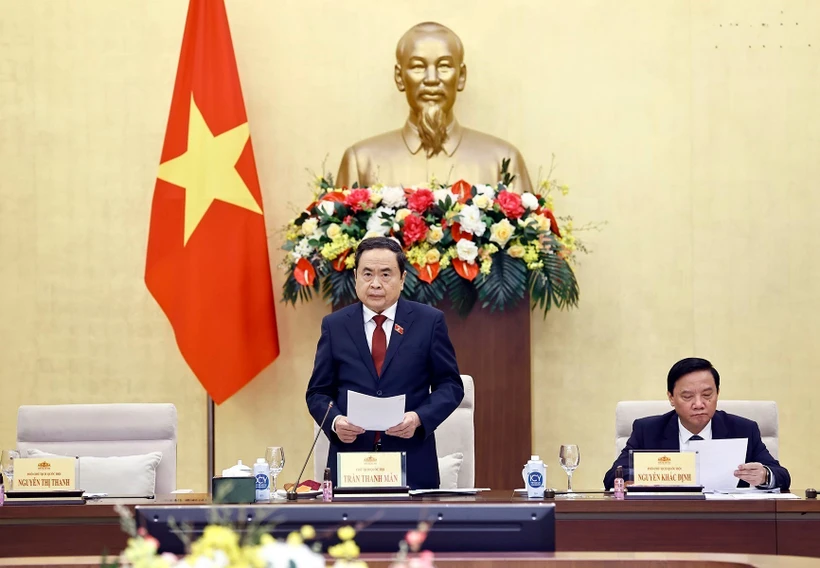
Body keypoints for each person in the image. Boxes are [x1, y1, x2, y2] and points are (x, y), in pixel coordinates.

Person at [305, 236, 464, 489]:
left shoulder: (428, 322)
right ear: (356, 277)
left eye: (386, 274)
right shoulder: (335, 326)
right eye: (367, 274)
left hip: (412, 462)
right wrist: (336, 421)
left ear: (402, 279)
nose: (375, 284)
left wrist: (418, 418)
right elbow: (318, 393)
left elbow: (451, 386)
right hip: (351, 463)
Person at [336, 21, 534, 193]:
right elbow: (340, 232)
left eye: (444, 66)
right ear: (399, 77)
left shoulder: (502, 161)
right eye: (418, 66)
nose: (432, 79)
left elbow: (534, 235)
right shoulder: (361, 161)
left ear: (461, 76)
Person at [603, 357, 790, 491]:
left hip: (728, 522)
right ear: (671, 398)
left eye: (707, 395)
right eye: (687, 396)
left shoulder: (743, 429)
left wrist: (765, 475)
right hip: (666, 521)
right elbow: (612, 476)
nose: (699, 404)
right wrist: (634, 478)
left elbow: (781, 475)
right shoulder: (648, 430)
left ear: (718, 393)